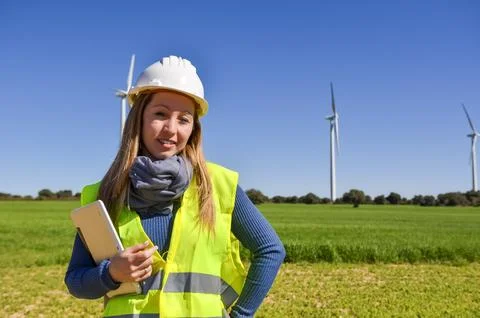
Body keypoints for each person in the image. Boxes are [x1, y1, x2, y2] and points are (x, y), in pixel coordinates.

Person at [65, 55, 286, 318]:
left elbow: (270, 250)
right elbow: (76, 281)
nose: (171, 129)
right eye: (160, 114)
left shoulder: (218, 186)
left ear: (194, 128)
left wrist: (242, 314)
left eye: (184, 119)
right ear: (139, 118)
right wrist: (111, 273)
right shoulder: (103, 195)